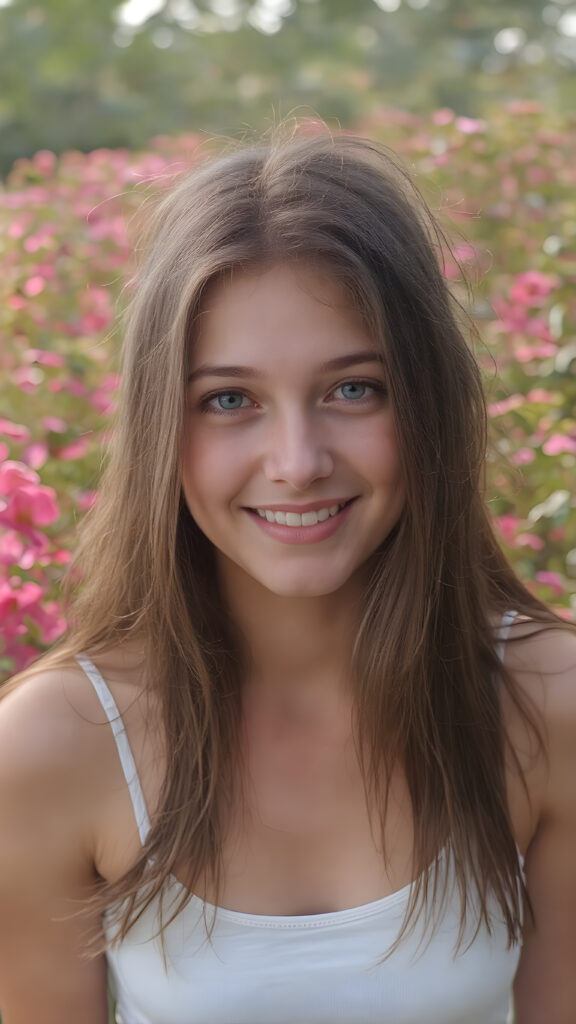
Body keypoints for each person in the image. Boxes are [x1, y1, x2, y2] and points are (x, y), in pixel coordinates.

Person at [0, 128, 575, 1024]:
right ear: (161, 426)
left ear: (428, 402)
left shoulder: (549, 704)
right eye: (229, 400)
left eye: (354, 389)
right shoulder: (55, 744)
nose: (298, 463)